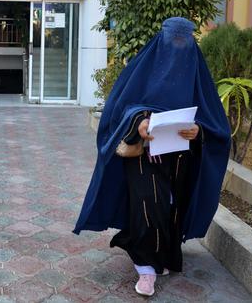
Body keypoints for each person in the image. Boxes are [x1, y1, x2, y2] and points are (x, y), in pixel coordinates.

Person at [73, 17, 231, 297]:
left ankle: (163, 256)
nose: (178, 49)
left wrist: (198, 130)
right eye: (173, 41)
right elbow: (119, 109)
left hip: (181, 161)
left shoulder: (198, 75)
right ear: (162, 40)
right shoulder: (143, 68)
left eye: (185, 42)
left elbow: (214, 123)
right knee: (149, 207)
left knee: (170, 209)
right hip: (144, 157)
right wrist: (140, 123)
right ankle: (146, 270)